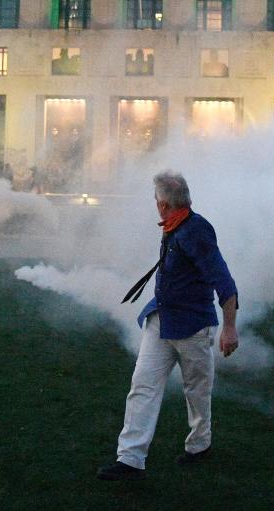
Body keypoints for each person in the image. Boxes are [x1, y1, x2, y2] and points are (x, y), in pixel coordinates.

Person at [96, 170, 238, 481]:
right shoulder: (176, 224)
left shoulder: (196, 231)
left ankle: (200, 446)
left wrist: (229, 328)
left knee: (197, 392)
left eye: (156, 200)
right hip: (161, 320)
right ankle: (130, 459)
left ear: (163, 205)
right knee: (142, 386)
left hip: (193, 327)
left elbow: (224, 281)